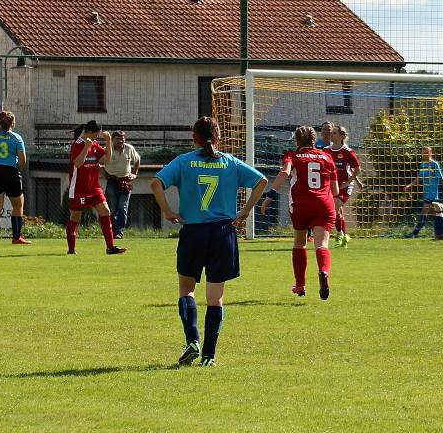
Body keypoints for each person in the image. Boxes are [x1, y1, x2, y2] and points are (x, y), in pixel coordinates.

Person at [151, 117, 267, 367]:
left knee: (187, 291)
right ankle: (209, 356)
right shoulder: (229, 162)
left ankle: (192, 340)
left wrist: (168, 211)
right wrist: (245, 211)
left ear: (194, 138)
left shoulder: (183, 161)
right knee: (215, 298)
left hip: (193, 233)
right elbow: (262, 181)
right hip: (222, 233)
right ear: (219, 138)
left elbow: (155, 183)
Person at [261, 125, 338, 301]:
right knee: (322, 245)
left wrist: (270, 195)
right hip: (324, 205)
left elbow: (285, 172)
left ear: (296, 141)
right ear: (314, 140)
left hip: (301, 204)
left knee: (299, 242)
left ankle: (300, 285)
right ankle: (324, 271)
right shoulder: (327, 157)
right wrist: (337, 208)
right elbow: (334, 190)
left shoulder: (292, 155)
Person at [66, 120, 127, 255]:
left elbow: (107, 159)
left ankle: (110, 247)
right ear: (90, 132)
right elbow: (77, 163)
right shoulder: (77, 144)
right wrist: (86, 148)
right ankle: (71, 249)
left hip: (94, 187)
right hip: (79, 188)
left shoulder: (94, 143)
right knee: (75, 217)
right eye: (96, 134)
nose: (96, 137)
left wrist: (109, 142)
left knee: (105, 211)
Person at [0, 111, 30, 245]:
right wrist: (17, 171)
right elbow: (22, 159)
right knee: (18, 204)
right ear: (12, 123)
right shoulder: (16, 138)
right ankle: (16, 237)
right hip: (10, 171)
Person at [323, 125, 361, 248]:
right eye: (331, 133)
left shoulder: (348, 152)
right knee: (337, 212)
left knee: (332, 209)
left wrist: (348, 182)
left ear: (341, 136)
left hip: (345, 186)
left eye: (334, 133)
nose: (331, 135)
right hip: (331, 186)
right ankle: (344, 235)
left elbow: (357, 170)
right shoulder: (326, 151)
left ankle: (338, 234)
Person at [403, 146, 443, 238]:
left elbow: (441, 178)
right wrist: (409, 185)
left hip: (432, 193)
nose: (424, 154)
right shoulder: (423, 165)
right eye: (423, 153)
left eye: (426, 153)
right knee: (436, 213)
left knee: (424, 212)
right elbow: (419, 178)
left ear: (430, 153)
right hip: (426, 193)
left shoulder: (434, 164)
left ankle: (415, 233)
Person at [103, 131, 140, 239]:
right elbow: (99, 163)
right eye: (118, 139)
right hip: (112, 181)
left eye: (122, 138)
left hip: (126, 181)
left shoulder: (129, 148)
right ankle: (112, 232)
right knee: (112, 208)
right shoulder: (107, 150)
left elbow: (137, 160)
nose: (121, 141)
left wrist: (134, 174)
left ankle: (119, 232)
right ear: (112, 140)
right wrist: (105, 175)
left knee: (122, 207)